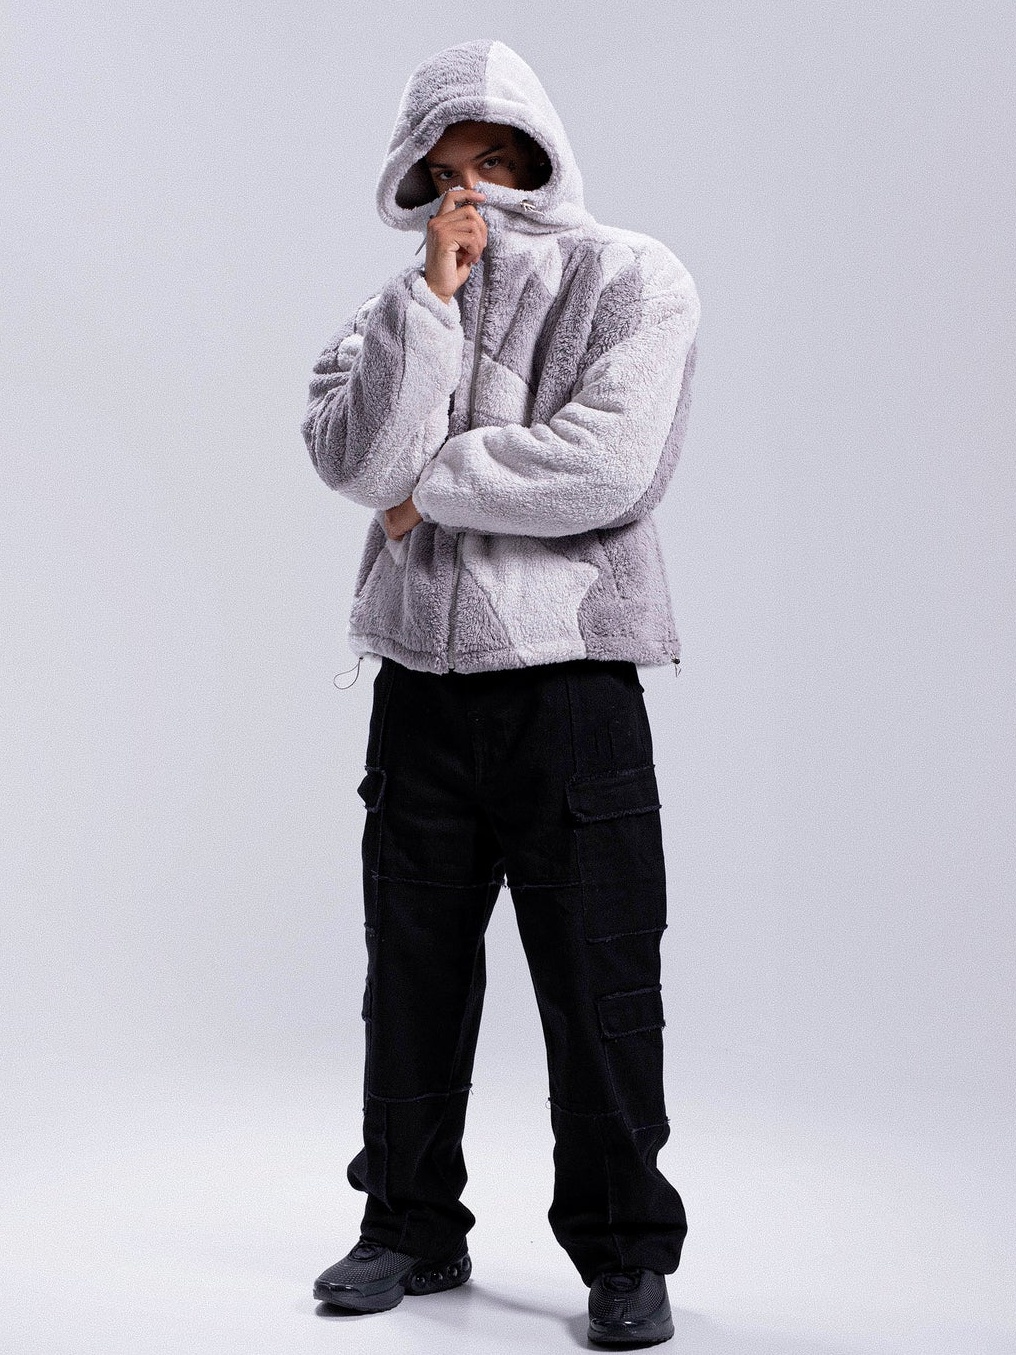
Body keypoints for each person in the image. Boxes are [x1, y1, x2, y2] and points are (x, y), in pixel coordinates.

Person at [300, 38, 700, 1349]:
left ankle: (625, 1253)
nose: (470, 189)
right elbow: (351, 460)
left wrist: (432, 489)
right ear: (416, 182)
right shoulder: (391, 311)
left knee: (600, 980)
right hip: (420, 687)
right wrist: (431, 304)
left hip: (571, 685)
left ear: (537, 154)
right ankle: (407, 1225)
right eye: (444, 169)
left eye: (493, 159)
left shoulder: (633, 278)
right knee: (410, 975)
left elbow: (607, 468)